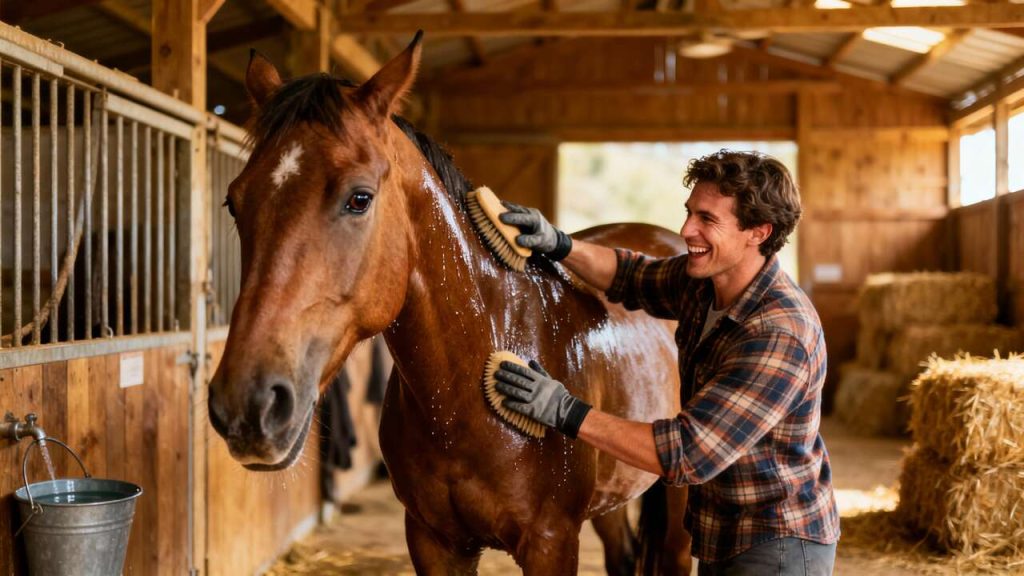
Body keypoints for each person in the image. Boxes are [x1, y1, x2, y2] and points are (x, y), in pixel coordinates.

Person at [494, 150, 840, 575]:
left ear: (758, 232)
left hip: (777, 545)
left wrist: (564, 411)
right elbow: (631, 275)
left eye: (707, 219)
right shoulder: (706, 285)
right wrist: (560, 243)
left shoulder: (778, 333)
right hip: (722, 532)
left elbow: (688, 453)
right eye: (689, 212)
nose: (686, 229)